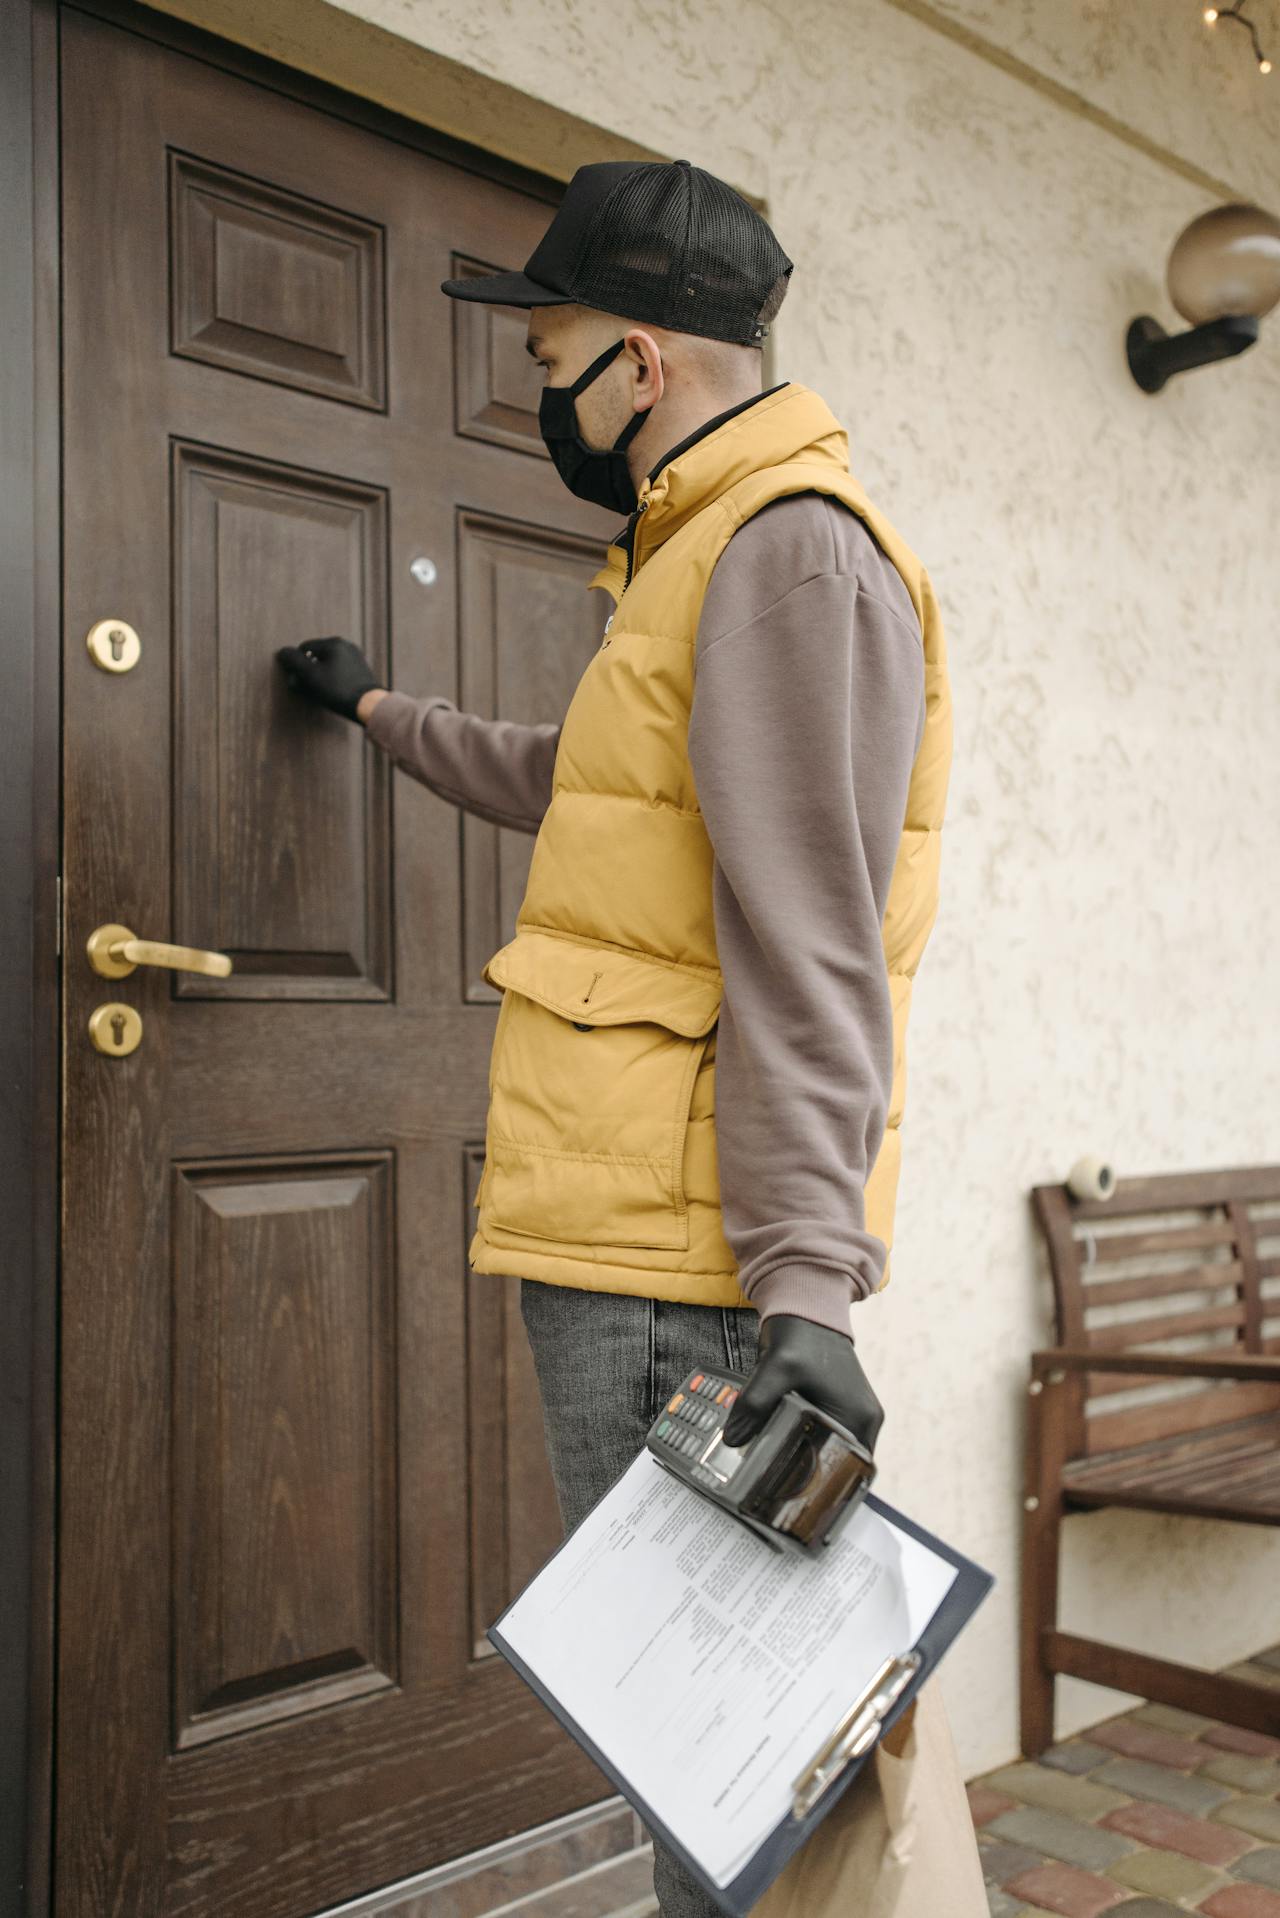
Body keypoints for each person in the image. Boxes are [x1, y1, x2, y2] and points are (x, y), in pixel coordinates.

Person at [278, 156, 951, 1918]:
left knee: (730, 1762)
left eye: (548, 353)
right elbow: (582, 783)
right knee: (709, 1749)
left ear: (640, 365)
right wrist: (378, 709)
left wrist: (808, 1285)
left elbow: (812, 944)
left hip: (688, 1265)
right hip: (640, 1238)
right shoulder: (697, 554)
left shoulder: (787, 556)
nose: (537, 395)